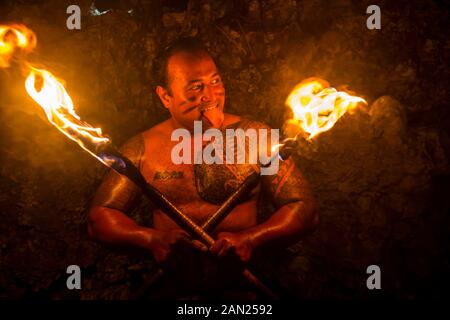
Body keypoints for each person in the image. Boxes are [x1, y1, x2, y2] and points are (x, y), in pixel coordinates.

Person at [88, 37, 318, 299]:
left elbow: (305, 209)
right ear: (166, 96)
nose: (210, 97)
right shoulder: (142, 149)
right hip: (173, 296)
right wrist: (150, 240)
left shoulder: (256, 138)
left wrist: (252, 239)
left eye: (215, 81)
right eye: (195, 88)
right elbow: (99, 220)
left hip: (240, 296)